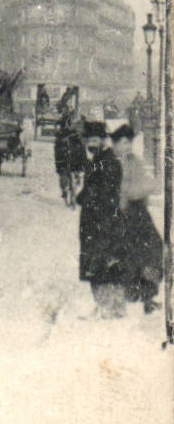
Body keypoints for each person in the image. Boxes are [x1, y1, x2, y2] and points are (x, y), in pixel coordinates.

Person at [77, 121, 128, 316]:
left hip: (104, 221)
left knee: (103, 264)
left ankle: (112, 308)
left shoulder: (107, 161)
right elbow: (91, 188)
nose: (91, 143)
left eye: (95, 139)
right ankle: (105, 306)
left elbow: (107, 192)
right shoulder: (98, 159)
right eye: (89, 139)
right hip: (94, 220)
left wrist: (87, 197)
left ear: (103, 140)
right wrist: (83, 196)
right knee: (96, 264)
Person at [114, 125, 164, 314]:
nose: (128, 147)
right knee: (132, 257)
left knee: (153, 253)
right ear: (116, 143)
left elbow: (142, 181)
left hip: (140, 215)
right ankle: (133, 296)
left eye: (130, 143)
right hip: (124, 215)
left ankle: (148, 297)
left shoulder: (134, 160)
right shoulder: (113, 163)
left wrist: (150, 185)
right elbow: (127, 191)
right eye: (124, 143)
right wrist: (150, 187)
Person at [54, 113, 87, 207]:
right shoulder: (62, 133)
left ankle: (76, 183)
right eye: (71, 120)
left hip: (76, 157)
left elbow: (82, 146)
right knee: (63, 175)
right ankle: (65, 189)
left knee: (79, 173)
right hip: (63, 157)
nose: (73, 123)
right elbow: (58, 143)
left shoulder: (79, 133)